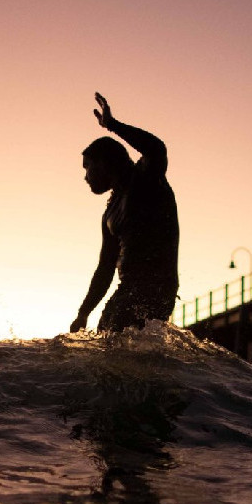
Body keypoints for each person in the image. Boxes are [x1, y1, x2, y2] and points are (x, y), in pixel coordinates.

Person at [70, 93, 179, 333]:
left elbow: (156, 148)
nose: (86, 176)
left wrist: (112, 125)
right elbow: (105, 267)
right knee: (104, 338)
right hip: (127, 290)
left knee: (112, 341)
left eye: (88, 167)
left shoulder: (146, 180)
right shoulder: (110, 213)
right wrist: (83, 312)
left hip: (155, 289)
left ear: (105, 162)